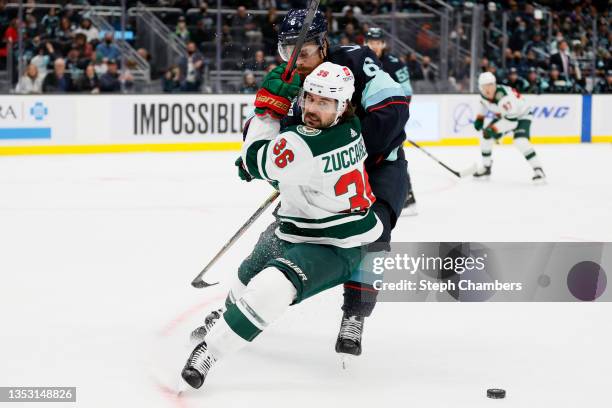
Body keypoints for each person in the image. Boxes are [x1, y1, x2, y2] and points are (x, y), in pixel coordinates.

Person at [181, 62, 382, 390]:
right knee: (250, 269)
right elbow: (284, 145)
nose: (312, 109)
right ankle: (228, 316)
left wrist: (266, 109)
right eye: (309, 99)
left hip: (335, 245)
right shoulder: (350, 126)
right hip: (296, 226)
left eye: (323, 102)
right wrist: (281, 109)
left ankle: (211, 350)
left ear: (341, 105)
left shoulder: (309, 144)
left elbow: (253, 159)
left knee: (272, 287)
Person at [222, 9, 409, 361]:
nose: (296, 61)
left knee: (374, 234)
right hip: (320, 176)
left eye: (303, 52)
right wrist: (266, 114)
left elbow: (394, 109)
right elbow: (263, 136)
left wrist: (336, 157)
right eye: (287, 52)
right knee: (282, 233)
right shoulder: (289, 77)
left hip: (380, 166)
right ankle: (231, 309)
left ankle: (355, 314)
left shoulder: (357, 59)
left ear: (323, 44)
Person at [365, 27, 417, 214]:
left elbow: (407, 92)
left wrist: (397, 119)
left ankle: (407, 195)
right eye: (371, 43)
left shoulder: (395, 63)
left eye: (377, 43)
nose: (374, 46)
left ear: (383, 44)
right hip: (370, 120)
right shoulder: (360, 61)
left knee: (393, 153)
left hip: (390, 118)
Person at [473, 72, 546, 183]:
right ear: (480, 87)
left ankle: (538, 169)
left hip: (522, 115)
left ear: (495, 84)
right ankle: (486, 167)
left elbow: (512, 123)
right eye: (485, 86)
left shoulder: (504, 98)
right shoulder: (484, 94)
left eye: (491, 85)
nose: (489, 89)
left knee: (520, 141)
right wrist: (480, 118)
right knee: (485, 137)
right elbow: (484, 104)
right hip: (506, 115)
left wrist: (493, 129)